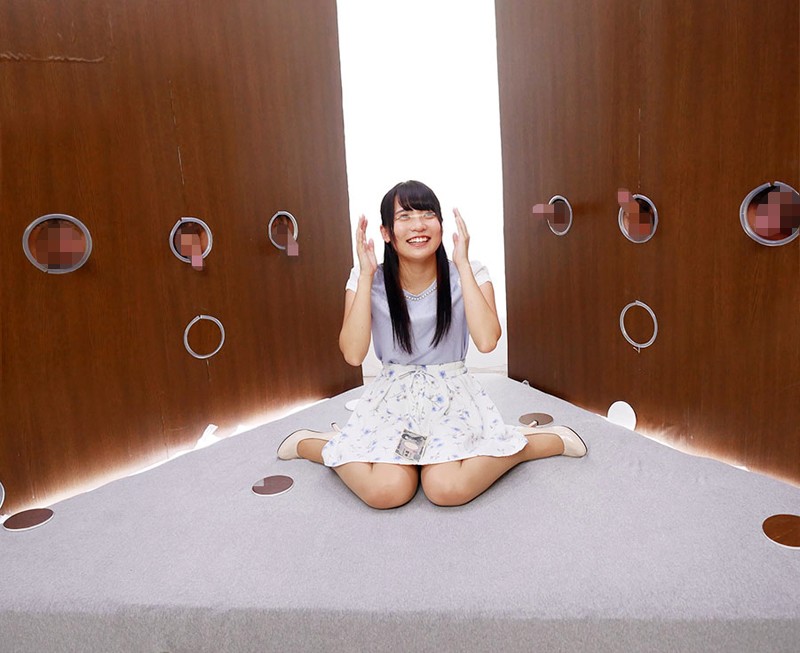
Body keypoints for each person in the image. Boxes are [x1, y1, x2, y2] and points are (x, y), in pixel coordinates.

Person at [278, 180, 586, 509]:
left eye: (427, 214)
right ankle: (317, 444)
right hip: (393, 398)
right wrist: (366, 276)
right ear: (386, 233)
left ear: (441, 223)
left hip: (451, 395)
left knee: (445, 488)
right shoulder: (367, 277)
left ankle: (526, 444)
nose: (419, 225)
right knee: (387, 491)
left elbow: (487, 341)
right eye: (405, 217)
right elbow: (353, 354)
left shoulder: (470, 271)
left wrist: (463, 265)